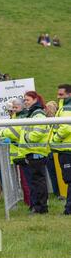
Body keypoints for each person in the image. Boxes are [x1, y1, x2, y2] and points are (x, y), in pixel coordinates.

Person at [19, 91, 49, 214]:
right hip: (33, 152)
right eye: (24, 100)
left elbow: (37, 133)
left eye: (27, 100)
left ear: (35, 99)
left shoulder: (38, 115)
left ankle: (41, 208)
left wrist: (26, 137)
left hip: (37, 152)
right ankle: (39, 207)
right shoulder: (33, 114)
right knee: (36, 181)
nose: (25, 102)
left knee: (38, 182)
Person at [50, 84, 71, 214]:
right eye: (58, 94)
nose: (58, 97)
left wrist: (55, 139)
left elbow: (66, 127)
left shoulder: (68, 107)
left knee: (70, 180)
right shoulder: (64, 106)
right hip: (64, 150)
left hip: (67, 149)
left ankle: (69, 209)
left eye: (61, 94)